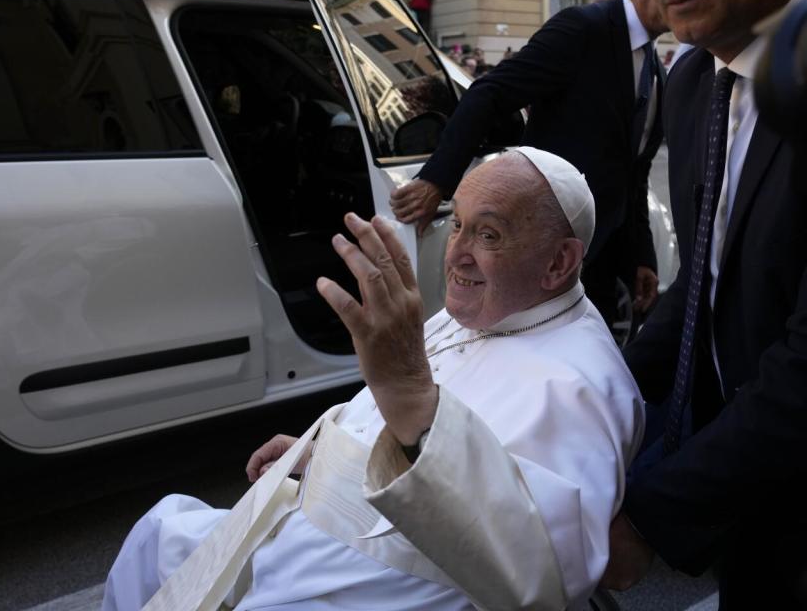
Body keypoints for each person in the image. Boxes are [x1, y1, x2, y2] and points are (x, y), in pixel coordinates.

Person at [102, 148, 644, 611]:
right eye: (456, 223)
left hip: (392, 580)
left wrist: (411, 391)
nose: (455, 254)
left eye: (489, 234)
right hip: (330, 525)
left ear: (558, 263)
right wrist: (320, 455)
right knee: (159, 531)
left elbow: (541, 569)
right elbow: (389, 427)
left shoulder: (583, 382)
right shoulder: (494, 308)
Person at [602, 0, 807, 607]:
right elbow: (703, 282)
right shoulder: (693, 82)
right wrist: (590, 400)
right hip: (753, 511)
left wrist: (648, 519)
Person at [390, 0, 668, 330]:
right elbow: (490, 93)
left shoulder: (657, 70)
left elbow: (634, 175)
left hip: (597, 259)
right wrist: (436, 180)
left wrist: (640, 255)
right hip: (539, 249)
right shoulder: (584, 28)